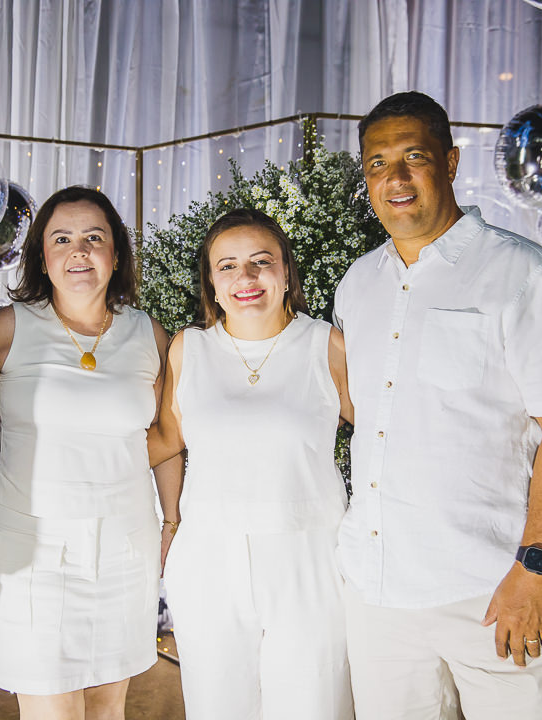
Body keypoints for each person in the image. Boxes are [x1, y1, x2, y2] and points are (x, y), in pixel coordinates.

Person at [333, 91, 542, 720]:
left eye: (414, 157)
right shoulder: (358, 284)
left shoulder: (524, 274)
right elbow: (374, 414)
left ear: (450, 162)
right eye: (377, 164)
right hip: (376, 593)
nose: (395, 179)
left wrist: (536, 569)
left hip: (491, 587)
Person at [0, 186, 181, 720]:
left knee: (108, 708)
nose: (79, 251)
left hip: (124, 547)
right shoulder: (7, 328)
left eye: (94, 237)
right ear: (42, 255)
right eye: (62, 239)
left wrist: (172, 518)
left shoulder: (148, 334)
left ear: (116, 253)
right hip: (34, 551)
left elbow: (164, 436)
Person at [148, 208, 354, 719]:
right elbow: (167, 439)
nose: (246, 277)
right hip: (209, 557)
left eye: (262, 261)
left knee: (313, 705)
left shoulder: (326, 345)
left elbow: (384, 435)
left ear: (286, 272)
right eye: (228, 266)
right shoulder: (189, 348)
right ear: (211, 284)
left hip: (310, 554)